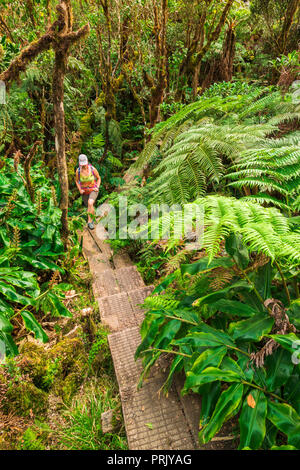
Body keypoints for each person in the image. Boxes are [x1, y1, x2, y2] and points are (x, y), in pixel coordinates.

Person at [75, 154, 101, 230]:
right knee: (89, 206)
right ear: (80, 163)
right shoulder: (78, 171)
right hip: (84, 192)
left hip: (93, 190)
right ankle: (93, 218)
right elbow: (77, 181)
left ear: (87, 161)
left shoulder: (93, 169)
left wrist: (97, 187)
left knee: (90, 203)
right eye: (82, 164)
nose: (84, 165)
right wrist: (80, 189)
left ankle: (89, 222)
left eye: (85, 163)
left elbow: (99, 178)